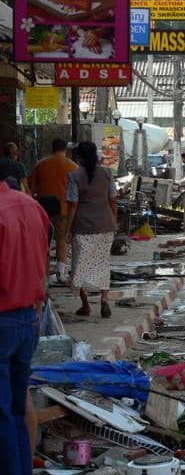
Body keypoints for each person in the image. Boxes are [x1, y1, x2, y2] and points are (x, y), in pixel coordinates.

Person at [0, 178, 50, 475]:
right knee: (17, 409)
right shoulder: (31, 206)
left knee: (4, 414)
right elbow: (44, 255)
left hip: (5, 318)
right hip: (28, 318)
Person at [65, 141, 117, 318]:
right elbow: (113, 200)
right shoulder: (107, 173)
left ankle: (85, 304)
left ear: (79, 157)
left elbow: (73, 205)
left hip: (83, 226)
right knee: (103, 263)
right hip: (105, 225)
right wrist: (114, 221)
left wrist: (68, 229)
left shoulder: (74, 176)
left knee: (79, 266)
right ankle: (104, 300)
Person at [29, 138, 79, 283]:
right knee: (61, 240)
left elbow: (31, 188)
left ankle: (44, 272)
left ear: (52, 148)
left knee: (43, 241)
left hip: (43, 210)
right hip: (64, 209)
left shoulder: (41, 164)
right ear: (65, 149)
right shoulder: (73, 166)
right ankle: (61, 272)